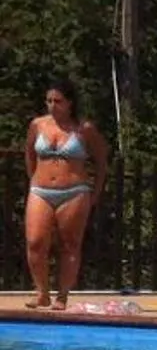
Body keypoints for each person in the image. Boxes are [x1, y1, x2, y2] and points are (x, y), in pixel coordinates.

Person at [23, 79, 106, 310]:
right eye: (49, 101)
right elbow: (29, 154)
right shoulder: (37, 125)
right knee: (35, 242)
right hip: (41, 190)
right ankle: (41, 292)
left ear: (70, 103)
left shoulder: (84, 129)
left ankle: (62, 296)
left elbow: (101, 161)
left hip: (73, 192)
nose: (52, 105)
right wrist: (33, 179)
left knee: (70, 244)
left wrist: (95, 192)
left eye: (58, 101)